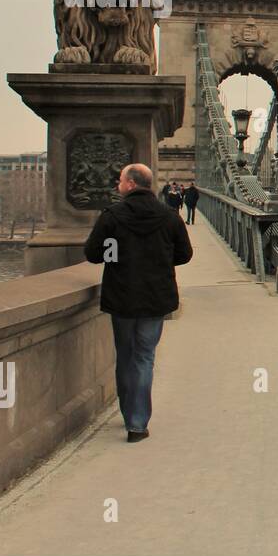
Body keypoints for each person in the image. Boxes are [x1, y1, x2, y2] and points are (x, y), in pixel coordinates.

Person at [84, 163, 193, 443]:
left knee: (125, 356)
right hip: (155, 298)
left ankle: (127, 411)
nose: (117, 185)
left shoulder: (112, 216)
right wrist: (158, 260)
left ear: (131, 184)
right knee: (145, 358)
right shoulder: (169, 217)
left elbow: (94, 253)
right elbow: (184, 255)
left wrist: (118, 257)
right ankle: (137, 423)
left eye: (120, 180)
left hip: (121, 296)